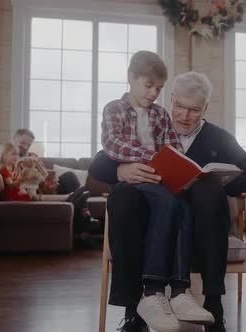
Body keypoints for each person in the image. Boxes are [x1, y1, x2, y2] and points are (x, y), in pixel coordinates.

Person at [89, 71, 246, 332]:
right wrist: (120, 171)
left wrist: (219, 180)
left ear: (205, 108)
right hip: (147, 220)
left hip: (197, 223)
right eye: (180, 106)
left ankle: (213, 304)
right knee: (125, 195)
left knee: (208, 191)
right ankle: (134, 310)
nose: (184, 116)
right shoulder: (152, 122)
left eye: (194, 110)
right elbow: (99, 161)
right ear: (171, 100)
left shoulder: (219, 137)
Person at [100, 52, 214, 332]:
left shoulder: (161, 115)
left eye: (159, 88)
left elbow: (172, 148)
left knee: (183, 205)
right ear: (131, 78)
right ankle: (152, 291)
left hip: (158, 182)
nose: (154, 93)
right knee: (168, 203)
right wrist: (149, 157)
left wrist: (177, 165)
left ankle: (179, 291)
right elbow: (111, 145)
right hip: (134, 185)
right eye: (148, 85)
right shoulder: (114, 109)